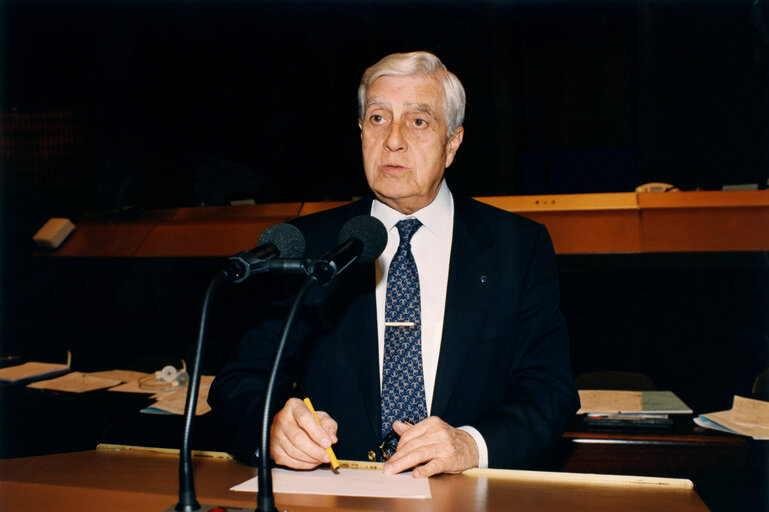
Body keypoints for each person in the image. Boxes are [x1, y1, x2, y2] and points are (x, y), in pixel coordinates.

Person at [209, 51, 579, 478]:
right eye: (379, 118)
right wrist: (272, 428)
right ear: (361, 131)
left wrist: (470, 444)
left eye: (418, 121)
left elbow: (549, 391)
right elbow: (239, 384)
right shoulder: (308, 244)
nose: (394, 139)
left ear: (453, 143)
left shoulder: (518, 247)